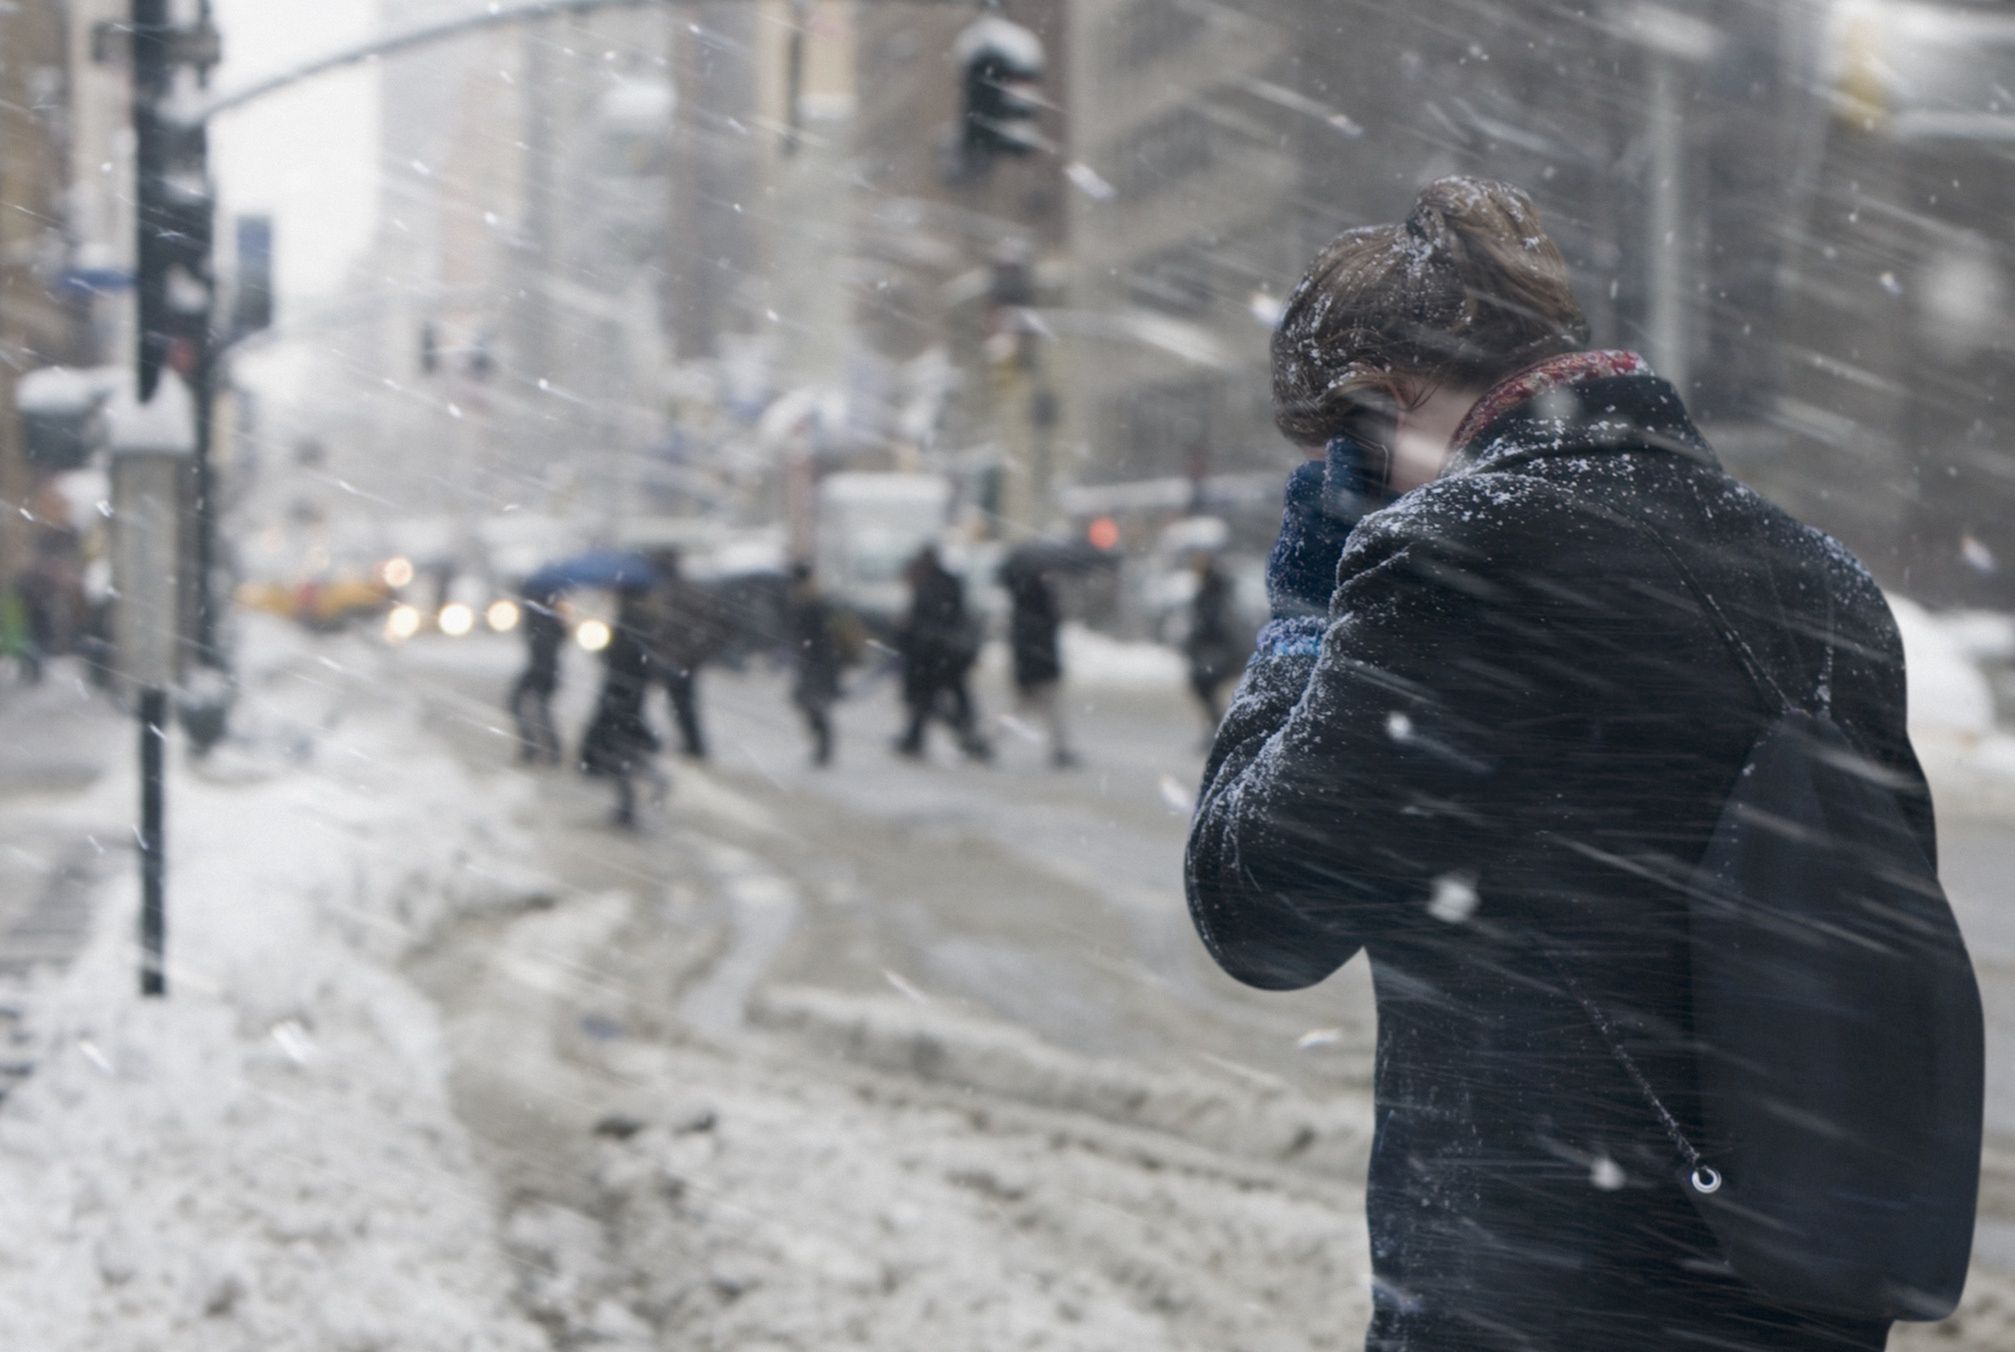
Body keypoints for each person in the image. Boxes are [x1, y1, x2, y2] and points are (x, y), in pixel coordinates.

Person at [1185, 177, 1930, 1351]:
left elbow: (1255, 910)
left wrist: (1297, 613)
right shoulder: (1823, 581)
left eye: (1342, 442)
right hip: (1793, 1278)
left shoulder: (1454, 560)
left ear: (1382, 401)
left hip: (1536, 1295)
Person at [893, 545, 991, 762]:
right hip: (948, 653)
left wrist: (908, 635)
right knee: (947, 699)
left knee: (926, 700)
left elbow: (924, 621)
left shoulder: (927, 586)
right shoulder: (947, 582)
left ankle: (921, 738)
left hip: (932, 654)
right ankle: (964, 735)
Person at [579, 583, 663, 828]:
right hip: (627, 696)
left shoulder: (629, 622)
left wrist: (605, 647)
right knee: (623, 751)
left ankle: (633, 804)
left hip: (620, 695)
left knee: (618, 753)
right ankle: (633, 803)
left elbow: (618, 657)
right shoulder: (642, 622)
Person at [1004, 564, 1077, 768]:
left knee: (1025, 710)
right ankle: (1060, 749)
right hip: (1041, 669)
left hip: (1034, 669)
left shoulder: (1023, 609)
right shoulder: (1039, 611)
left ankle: (991, 740)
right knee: (1048, 710)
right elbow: (1038, 643)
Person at [648, 548, 714, 762]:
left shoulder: (674, 592)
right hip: (678, 658)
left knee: (682, 705)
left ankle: (694, 747)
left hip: (678, 659)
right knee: (681, 705)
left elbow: (669, 628)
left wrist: (691, 654)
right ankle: (693, 746)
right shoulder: (674, 590)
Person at [785, 562, 845, 766]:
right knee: (814, 706)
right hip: (817, 662)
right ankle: (822, 748)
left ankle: (823, 749)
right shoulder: (813, 601)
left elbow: (817, 637)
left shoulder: (810, 603)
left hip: (817, 663)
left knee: (814, 706)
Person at [1180, 554, 1240, 737]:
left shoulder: (1212, 592)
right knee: (1206, 689)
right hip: (1212, 649)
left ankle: (1219, 731)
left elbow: (1212, 623)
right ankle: (1218, 730)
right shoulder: (1215, 590)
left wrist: (1197, 638)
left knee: (1204, 687)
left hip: (1213, 650)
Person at [507, 581, 566, 765]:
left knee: (526, 706)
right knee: (540, 710)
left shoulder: (538, 615)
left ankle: (536, 748)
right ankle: (545, 749)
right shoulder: (551, 615)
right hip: (546, 668)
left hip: (541, 668)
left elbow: (543, 642)